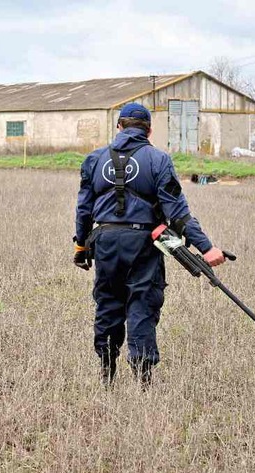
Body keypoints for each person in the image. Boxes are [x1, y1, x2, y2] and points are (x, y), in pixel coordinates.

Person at [73, 102, 226, 388]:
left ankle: (107, 372)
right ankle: (144, 381)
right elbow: (178, 214)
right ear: (149, 131)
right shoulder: (158, 160)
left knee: (108, 304)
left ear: (119, 127)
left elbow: (83, 210)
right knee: (142, 305)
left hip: (104, 243)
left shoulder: (93, 160)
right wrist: (206, 248)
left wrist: (81, 247)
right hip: (144, 244)